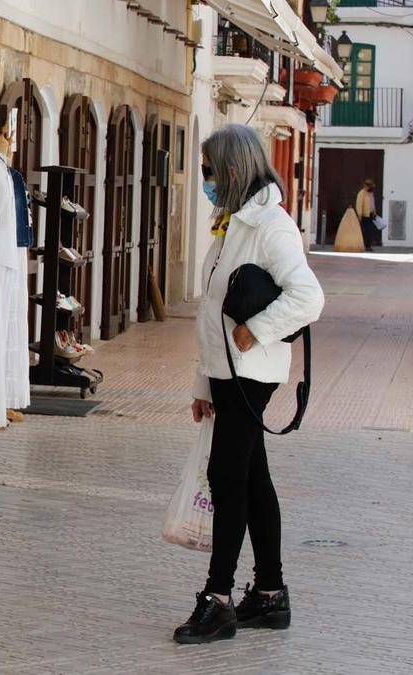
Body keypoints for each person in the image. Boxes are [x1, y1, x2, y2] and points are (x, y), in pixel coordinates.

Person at [177, 124, 325, 644]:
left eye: (209, 170)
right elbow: (212, 313)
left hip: (251, 374)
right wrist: (204, 380)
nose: (205, 180)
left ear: (233, 170)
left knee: (228, 478)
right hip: (227, 373)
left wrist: (255, 330)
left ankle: (217, 600)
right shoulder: (232, 222)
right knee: (253, 479)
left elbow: (308, 298)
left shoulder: (270, 226)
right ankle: (269, 595)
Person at [355, 178, 379, 251]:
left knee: (369, 231)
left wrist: (374, 211)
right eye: (370, 186)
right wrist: (359, 215)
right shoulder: (361, 193)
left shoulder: (371, 193)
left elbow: (372, 203)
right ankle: (365, 246)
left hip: (371, 215)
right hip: (364, 215)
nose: (371, 188)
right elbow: (359, 204)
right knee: (365, 231)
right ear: (365, 186)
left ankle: (368, 245)